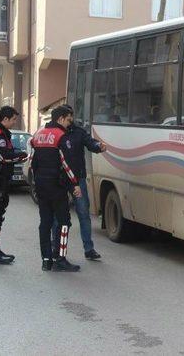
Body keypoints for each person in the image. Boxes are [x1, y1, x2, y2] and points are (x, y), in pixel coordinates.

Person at [50, 104, 106, 261]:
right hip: (59, 179)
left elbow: (90, 143)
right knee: (57, 215)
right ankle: (55, 247)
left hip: (78, 179)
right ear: (62, 117)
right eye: (69, 117)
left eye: (72, 116)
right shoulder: (53, 133)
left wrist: (98, 146)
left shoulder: (78, 132)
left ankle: (89, 249)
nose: (71, 120)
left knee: (83, 213)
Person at [31, 106, 82, 272]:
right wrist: (74, 184)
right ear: (60, 119)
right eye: (68, 120)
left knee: (45, 223)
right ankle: (60, 258)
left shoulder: (38, 135)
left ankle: (46, 260)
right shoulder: (61, 136)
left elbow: (33, 163)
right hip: (57, 186)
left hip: (41, 186)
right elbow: (66, 165)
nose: (69, 124)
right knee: (64, 222)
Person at [0, 106, 28, 265]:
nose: (15, 122)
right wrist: (21, 155)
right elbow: (4, 156)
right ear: (5, 119)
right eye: (14, 119)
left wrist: (16, 157)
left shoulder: (0, 133)